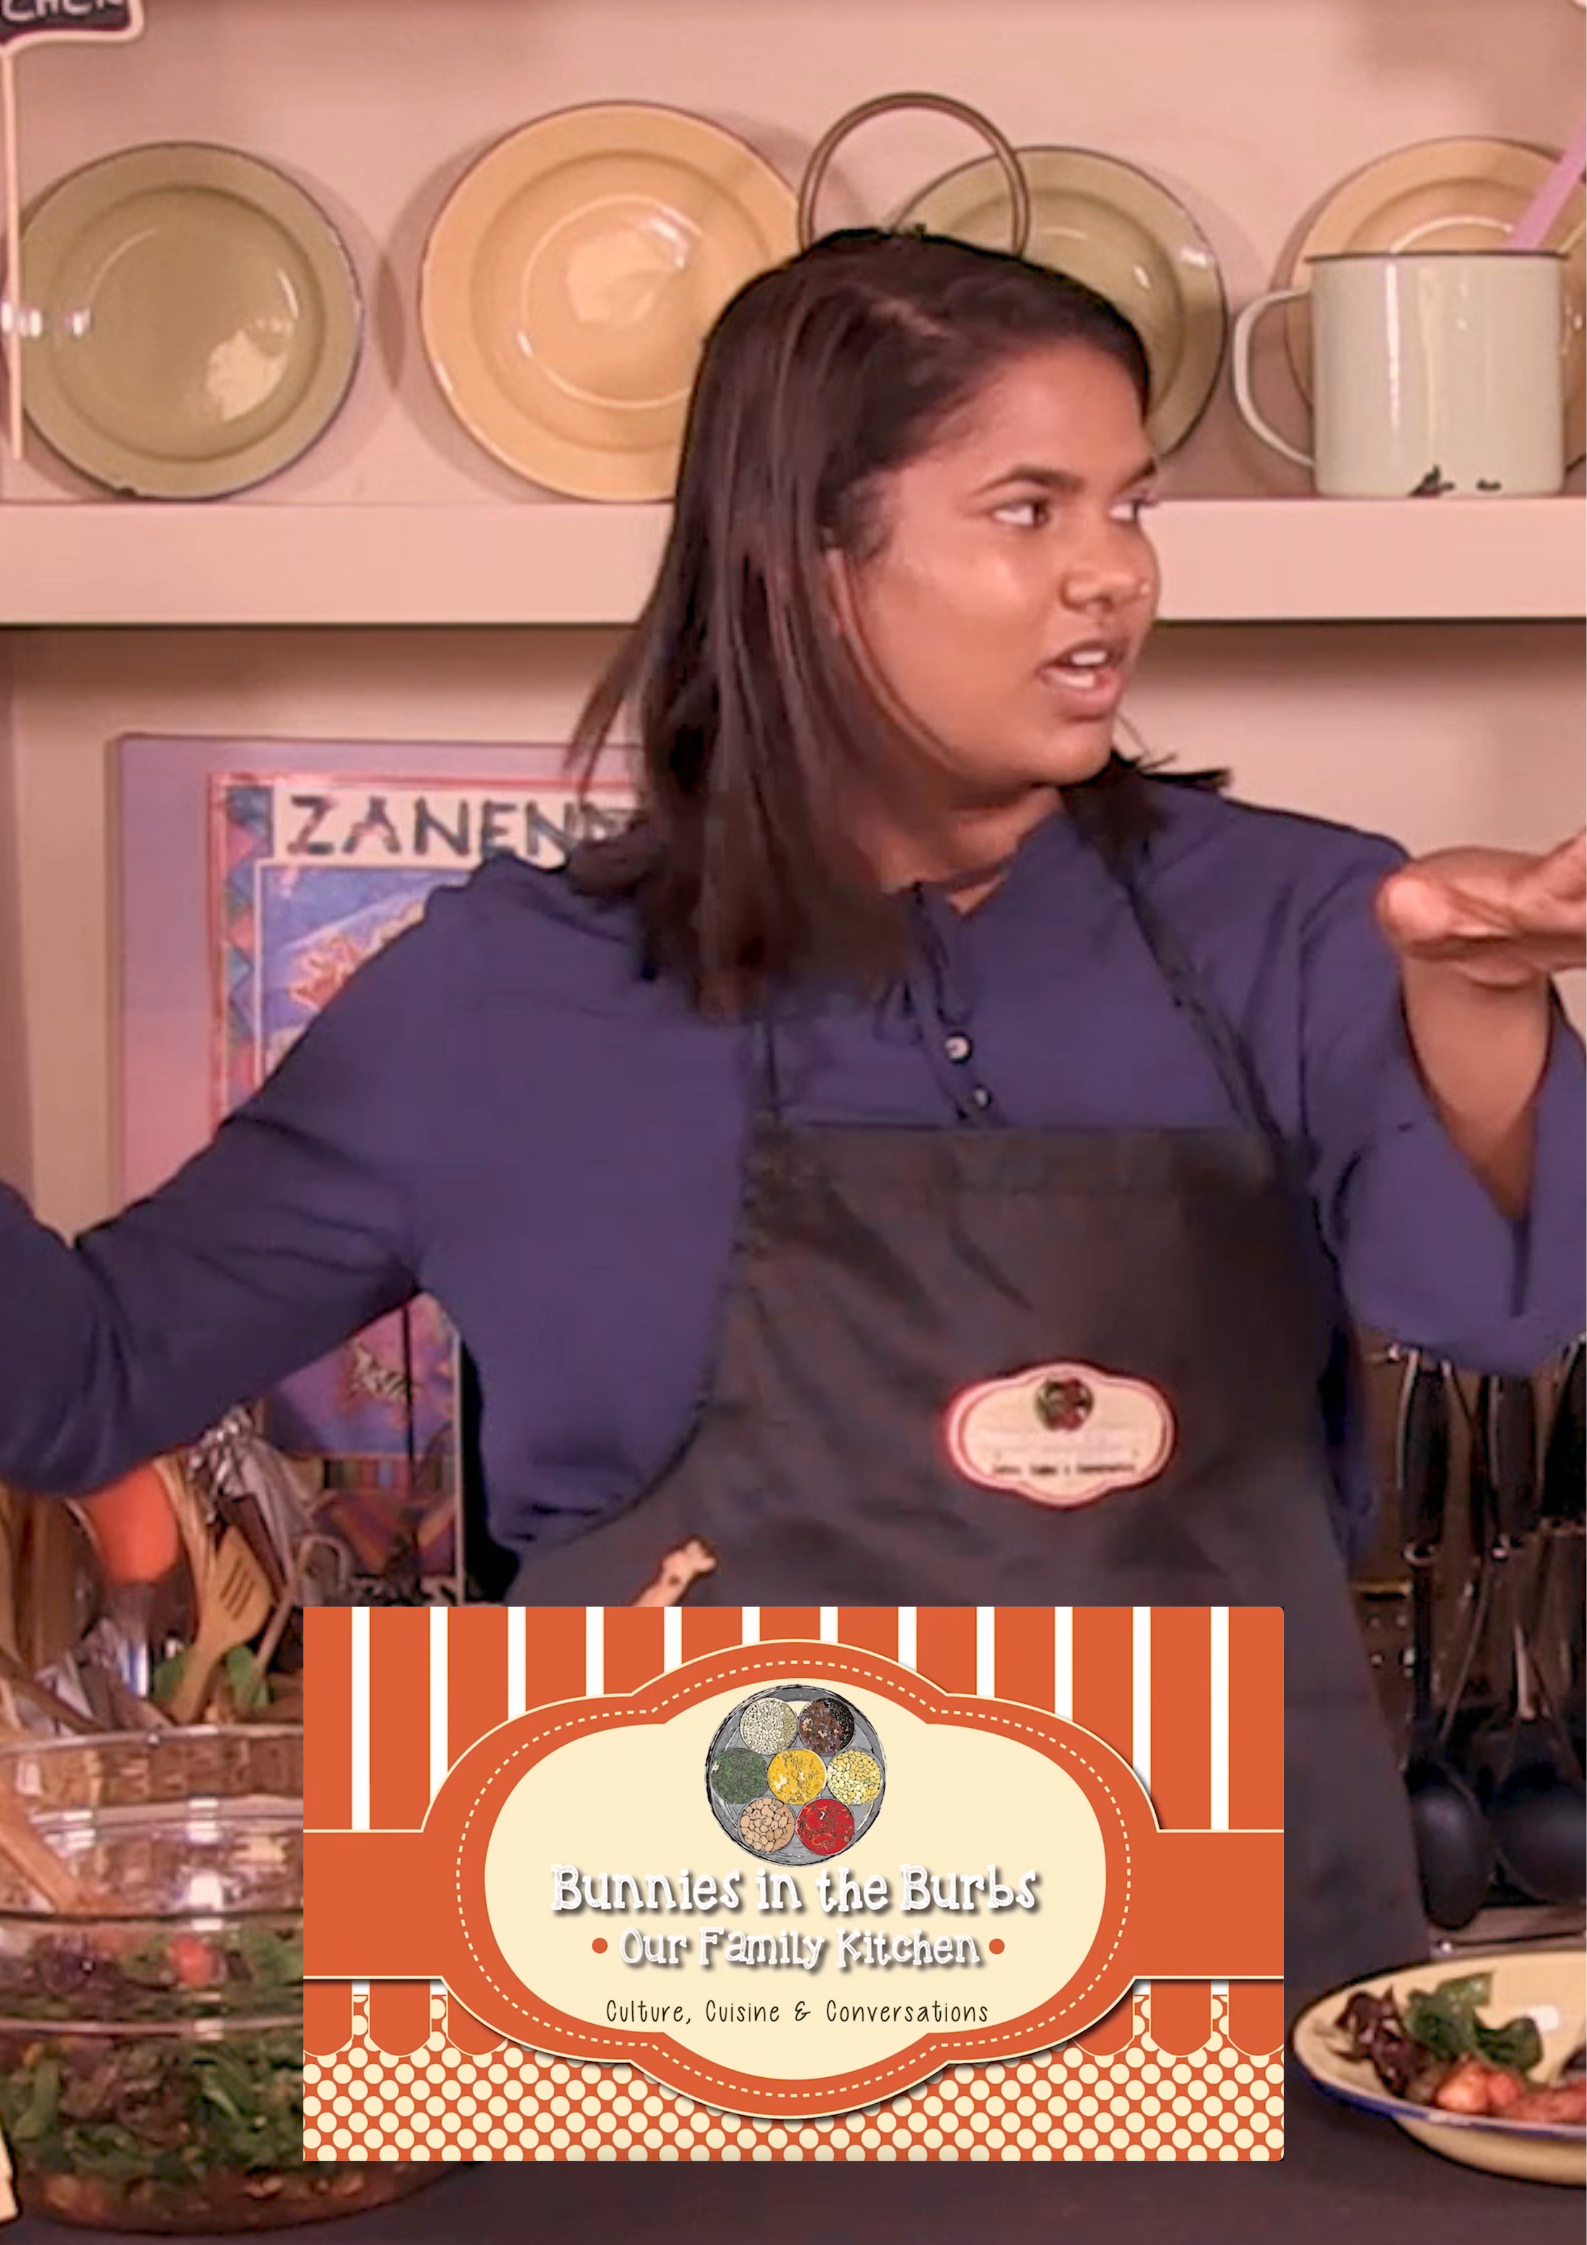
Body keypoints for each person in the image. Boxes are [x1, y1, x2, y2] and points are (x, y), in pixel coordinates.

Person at [0, 232, 1582, 1991]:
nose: (1110, 580)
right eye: (1027, 510)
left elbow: (1500, 1309)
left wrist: (1479, 995)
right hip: (665, 2040)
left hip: (1205, 2025)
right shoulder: (498, 998)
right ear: (809, 562)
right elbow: (84, 1382)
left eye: (1127, 510)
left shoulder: (1287, 921)